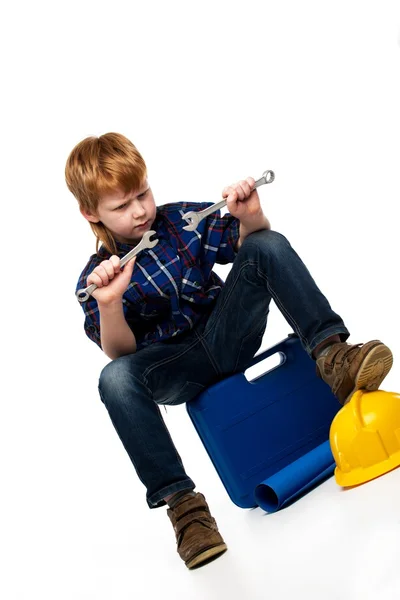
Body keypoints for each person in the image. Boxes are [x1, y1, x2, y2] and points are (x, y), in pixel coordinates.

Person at [66, 132, 393, 569]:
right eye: (121, 206)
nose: (141, 210)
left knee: (266, 245)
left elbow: (252, 245)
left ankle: (336, 358)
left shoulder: (183, 220)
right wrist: (110, 304)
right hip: (176, 366)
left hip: (227, 333)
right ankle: (185, 510)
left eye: (142, 193)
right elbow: (120, 355)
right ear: (91, 213)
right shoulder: (95, 281)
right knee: (115, 379)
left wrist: (252, 216)